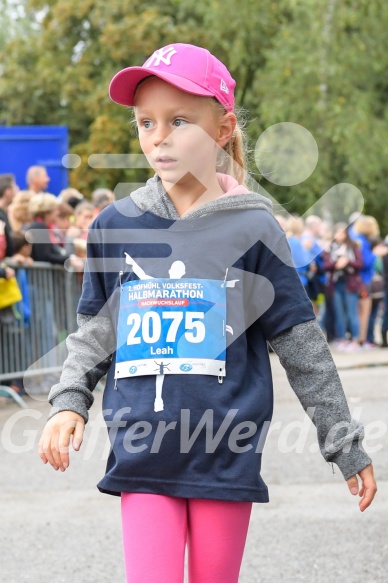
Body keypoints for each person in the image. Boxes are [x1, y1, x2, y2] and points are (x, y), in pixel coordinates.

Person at [38, 43, 377, 583]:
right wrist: (68, 402)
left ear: (222, 129)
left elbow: (301, 344)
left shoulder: (254, 228)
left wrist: (344, 443)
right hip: (142, 450)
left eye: (178, 120)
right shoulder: (114, 224)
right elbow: (94, 331)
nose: (159, 136)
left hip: (227, 449)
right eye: (145, 122)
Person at [323, 223, 363, 351]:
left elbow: (360, 264)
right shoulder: (330, 248)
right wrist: (337, 263)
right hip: (336, 284)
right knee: (339, 314)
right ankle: (342, 339)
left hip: (350, 284)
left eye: (342, 232)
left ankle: (355, 339)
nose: (339, 235)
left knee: (352, 313)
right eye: (337, 232)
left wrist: (347, 261)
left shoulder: (353, 246)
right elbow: (325, 266)